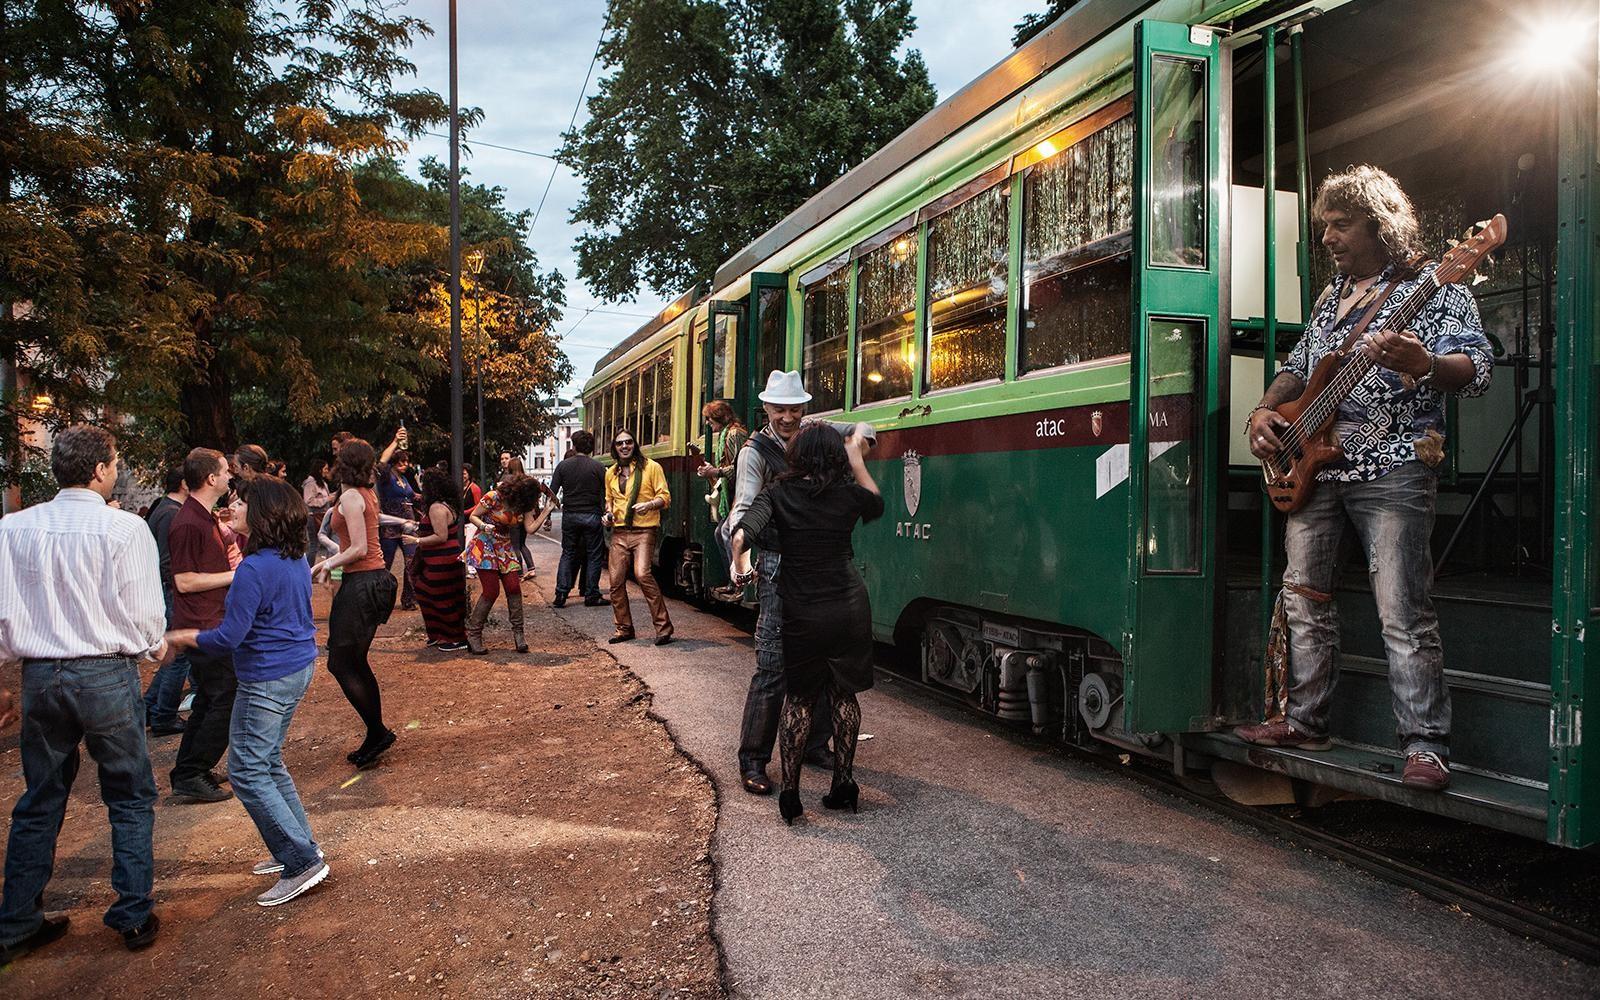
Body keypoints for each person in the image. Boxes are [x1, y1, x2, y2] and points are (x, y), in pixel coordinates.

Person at [1237, 165, 1493, 792]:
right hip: (1316, 469)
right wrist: (1266, 411)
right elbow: (1299, 368)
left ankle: (1426, 745)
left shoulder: (1438, 289)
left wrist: (1426, 362)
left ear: (1380, 226)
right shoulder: (1331, 299)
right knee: (1305, 598)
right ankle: (1304, 720)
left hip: (1395, 467)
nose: (1327, 237)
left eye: (1339, 224)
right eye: (1325, 225)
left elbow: (1477, 367)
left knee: (1403, 608)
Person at [0, 424, 165, 961]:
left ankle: (18, 919)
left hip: (41, 673)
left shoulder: (13, 527)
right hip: (104, 671)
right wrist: (154, 647)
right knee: (129, 791)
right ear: (100, 470)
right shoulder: (123, 529)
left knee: (40, 796)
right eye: (114, 462)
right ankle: (133, 913)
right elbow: (144, 616)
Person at [164, 477, 330, 907]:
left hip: (267, 677)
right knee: (267, 763)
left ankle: (300, 860)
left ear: (262, 516)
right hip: (294, 669)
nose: (231, 508)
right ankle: (300, 847)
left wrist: (184, 637)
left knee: (248, 771)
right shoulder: (289, 558)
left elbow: (228, 638)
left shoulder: (255, 568)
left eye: (240, 504)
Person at [731, 370, 876, 796]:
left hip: (823, 569)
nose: (789, 417)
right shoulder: (754, 453)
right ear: (766, 410)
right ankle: (754, 760)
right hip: (778, 564)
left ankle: (813, 744)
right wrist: (741, 561)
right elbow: (743, 511)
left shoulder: (820, 431)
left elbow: (865, 427)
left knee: (826, 662)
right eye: (780, 410)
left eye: (795, 409)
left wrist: (856, 443)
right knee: (774, 666)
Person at [312, 439, 399, 768]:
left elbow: (359, 548)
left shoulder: (351, 496)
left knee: (342, 663)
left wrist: (325, 565)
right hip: (368, 581)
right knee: (353, 662)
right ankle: (376, 732)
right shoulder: (365, 493)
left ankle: (377, 732)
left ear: (343, 463)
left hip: (363, 582)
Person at [168, 447, 239, 804]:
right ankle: (193, 770)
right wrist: (234, 576)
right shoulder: (187, 522)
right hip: (201, 624)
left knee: (210, 699)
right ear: (211, 478)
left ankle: (188, 770)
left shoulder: (203, 516)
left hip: (211, 620)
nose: (230, 476)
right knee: (226, 696)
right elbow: (183, 581)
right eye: (226, 471)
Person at [463, 473, 549, 654]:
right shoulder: (494, 496)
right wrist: (485, 526)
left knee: (513, 588)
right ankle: (473, 633)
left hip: (505, 546)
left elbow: (530, 528)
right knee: (491, 591)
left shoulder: (522, 505)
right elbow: (473, 516)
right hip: (485, 544)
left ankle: (519, 635)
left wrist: (547, 511)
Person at [601, 430, 673, 646]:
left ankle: (663, 627)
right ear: (614, 447)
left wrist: (649, 504)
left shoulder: (651, 467)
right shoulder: (611, 473)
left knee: (642, 574)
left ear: (635, 444)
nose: (625, 446)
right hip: (620, 532)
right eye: (620, 443)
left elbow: (665, 497)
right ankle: (623, 629)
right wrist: (607, 515)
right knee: (615, 581)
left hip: (644, 530)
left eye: (629, 442)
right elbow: (609, 500)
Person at [142, 465, 191, 737]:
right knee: (179, 657)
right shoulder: (172, 513)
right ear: (184, 484)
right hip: (173, 591)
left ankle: (150, 707)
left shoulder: (163, 509)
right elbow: (166, 562)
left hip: (167, 590)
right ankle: (163, 716)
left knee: (173, 653)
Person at [412, 465, 469, 651]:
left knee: (439, 596)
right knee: (436, 594)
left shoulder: (436, 507)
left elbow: (440, 536)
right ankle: (440, 634)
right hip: (445, 559)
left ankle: (454, 637)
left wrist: (416, 540)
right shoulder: (446, 504)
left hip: (441, 561)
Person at [549, 429, 607, 608]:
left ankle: (561, 593)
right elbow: (606, 493)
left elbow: (552, 492)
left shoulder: (563, 466)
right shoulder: (598, 467)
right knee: (594, 555)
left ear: (574, 445)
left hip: (570, 515)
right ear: (591, 447)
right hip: (592, 515)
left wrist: (550, 514)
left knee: (568, 553)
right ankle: (591, 594)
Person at [695, 399, 748, 589]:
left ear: (720, 418)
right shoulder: (727, 434)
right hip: (733, 493)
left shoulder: (734, 434)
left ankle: (738, 580)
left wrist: (716, 472)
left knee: (725, 532)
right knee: (721, 532)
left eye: (710, 419)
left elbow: (739, 468)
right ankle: (734, 579)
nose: (708, 424)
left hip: (740, 495)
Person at [375, 434, 420, 611]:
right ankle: (379, 599)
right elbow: (381, 464)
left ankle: (409, 599)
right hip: (390, 526)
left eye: (406, 462)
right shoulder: (386, 476)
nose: (405, 465)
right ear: (395, 462)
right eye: (401, 462)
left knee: (413, 561)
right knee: (385, 562)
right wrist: (395, 441)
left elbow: (413, 496)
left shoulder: (405, 479)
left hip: (408, 525)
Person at [302, 458, 334, 569]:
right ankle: (308, 570)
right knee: (313, 544)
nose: (327, 471)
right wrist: (326, 499)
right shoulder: (310, 483)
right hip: (313, 517)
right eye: (325, 468)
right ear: (320, 470)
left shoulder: (322, 483)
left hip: (322, 516)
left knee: (321, 543)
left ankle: (320, 568)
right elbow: (309, 500)